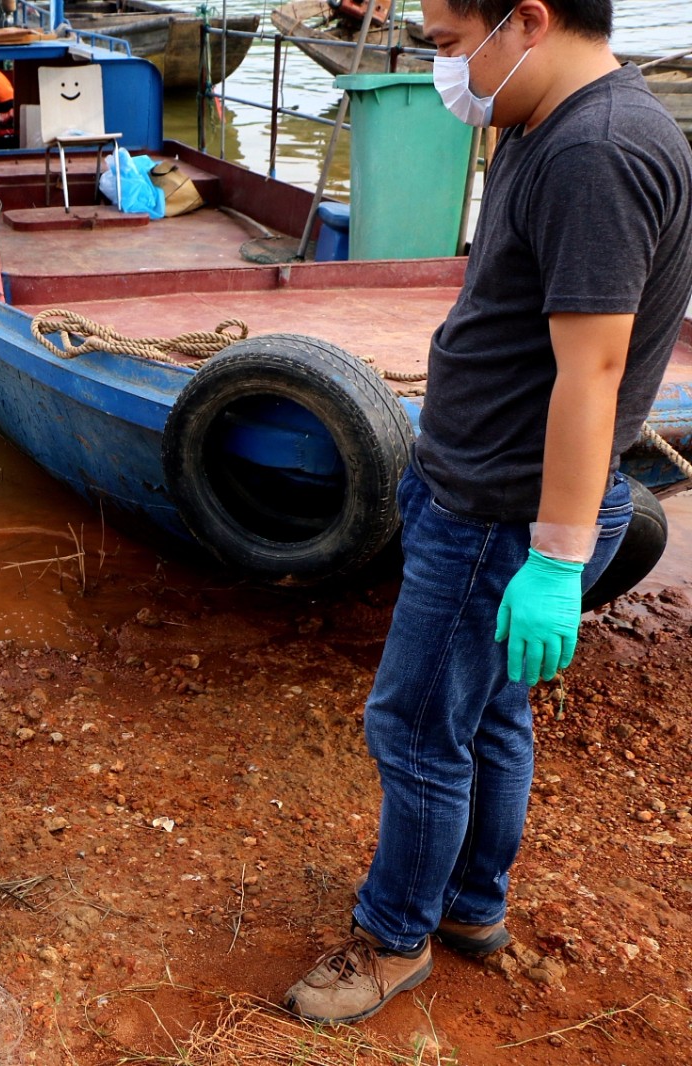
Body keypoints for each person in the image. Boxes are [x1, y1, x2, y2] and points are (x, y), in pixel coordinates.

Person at [282, 0, 692, 1024]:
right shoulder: (541, 118)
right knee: (488, 712)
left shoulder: (593, 152)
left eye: (446, 44)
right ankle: (469, 904)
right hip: (477, 486)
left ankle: (391, 937)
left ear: (525, 21)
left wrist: (553, 557)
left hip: (500, 514)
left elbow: (592, 371)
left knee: (415, 725)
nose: (440, 71)